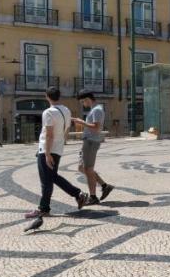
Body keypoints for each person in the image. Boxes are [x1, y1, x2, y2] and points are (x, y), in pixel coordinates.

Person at [25, 86, 88, 228]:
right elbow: (65, 130)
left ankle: (47, 207)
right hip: (58, 148)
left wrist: (46, 153)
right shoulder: (66, 110)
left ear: (47, 97)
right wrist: (60, 145)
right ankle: (51, 205)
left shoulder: (48, 112)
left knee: (47, 179)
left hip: (47, 149)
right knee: (51, 178)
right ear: (59, 96)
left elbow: (49, 134)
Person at [71, 90, 113, 205]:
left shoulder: (97, 110)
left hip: (91, 142)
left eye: (82, 102)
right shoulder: (94, 110)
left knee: (88, 170)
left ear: (87, 99)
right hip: (88, 141)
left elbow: (96, 128)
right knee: (81, 167)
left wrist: (81, 122)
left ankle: (93, 197)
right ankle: (105, 186)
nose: (82, 104)